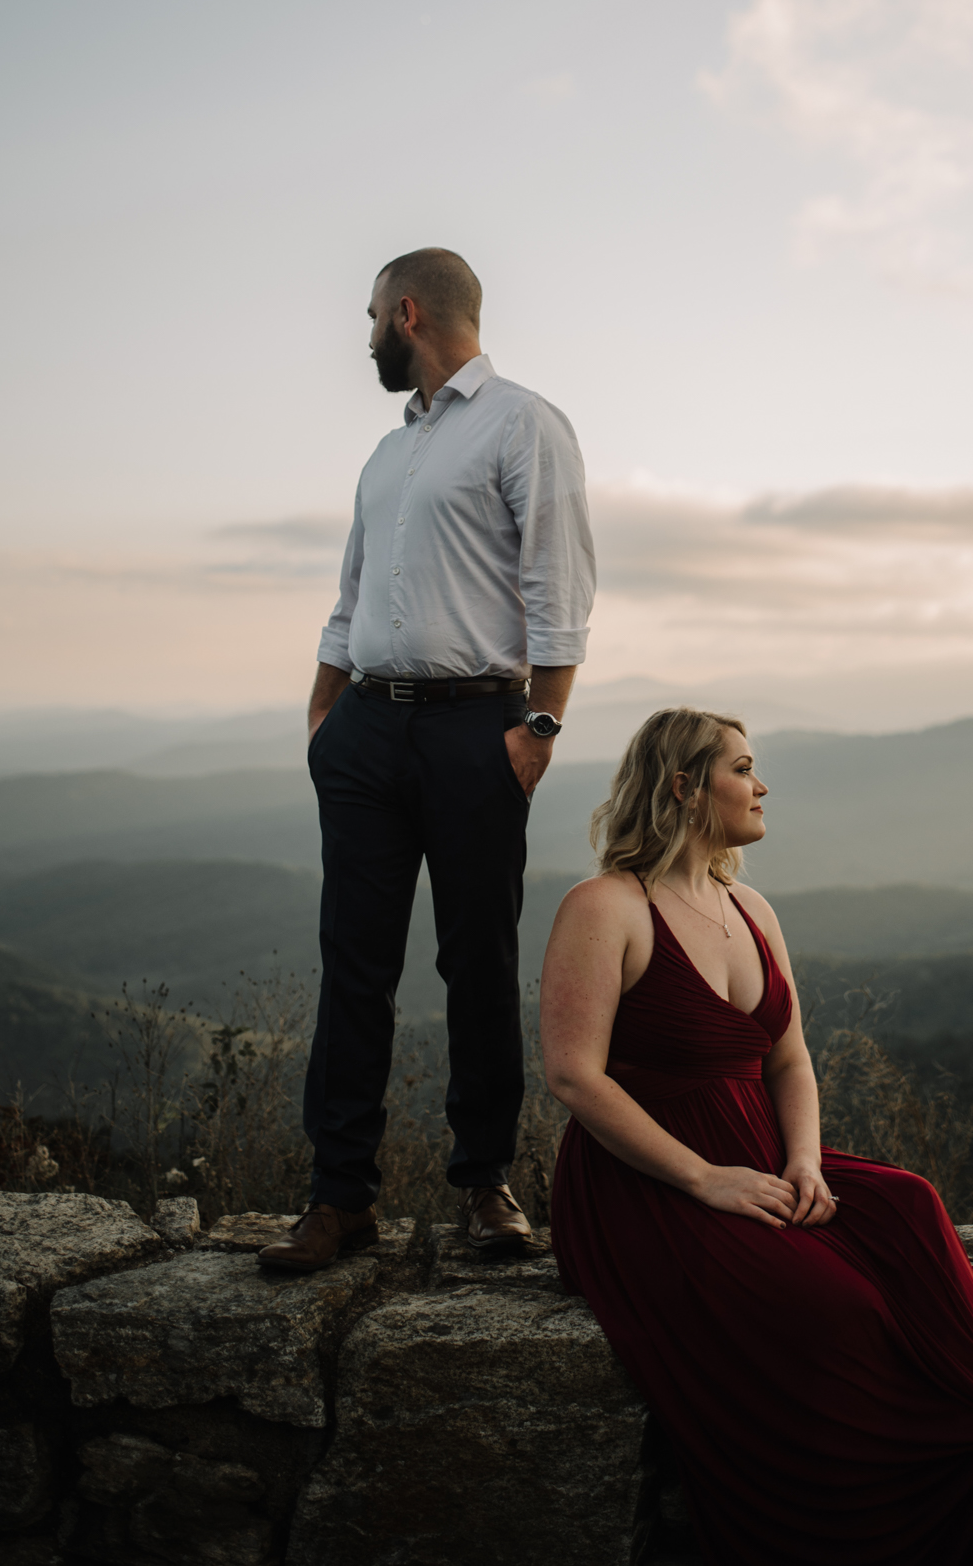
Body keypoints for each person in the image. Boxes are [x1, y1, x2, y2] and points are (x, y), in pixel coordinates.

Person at [541, 708, 973, 1565]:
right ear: (684, 785)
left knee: (908, 1199)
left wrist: (802, 1159)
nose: (762, 786)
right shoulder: (604, 905)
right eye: (743, 768)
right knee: (844, 1307)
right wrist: (703, 1178)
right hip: (644, 1181)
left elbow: (790, 1061)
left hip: (760, 1154)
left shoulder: (749, 905)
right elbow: (575, 1075)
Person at [260, 247, 595, 1271]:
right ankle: (339, 1196)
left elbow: (558, 581)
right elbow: (351, 596)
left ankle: (484, 1184)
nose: (365, 337)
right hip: (365, 730)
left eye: (370, 317)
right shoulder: (387, 455)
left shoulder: (522, 423)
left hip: (474, 729)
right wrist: (323, 717)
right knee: (353, 963)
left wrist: (539, 728)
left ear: (407, 314)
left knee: (477, 961)